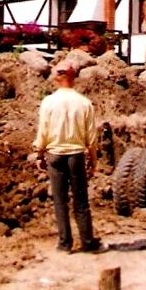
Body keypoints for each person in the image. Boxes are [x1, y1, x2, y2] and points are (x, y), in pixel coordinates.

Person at [33, 60, 102, 253]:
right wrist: (94, 162)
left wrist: (39, 154)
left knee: (60, 201)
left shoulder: (48, 102)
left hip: (54, 155)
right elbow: (91, 137)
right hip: (76, 156)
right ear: (73, 77)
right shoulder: (84, 103)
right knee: (81, 201)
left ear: (57, 77)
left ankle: (65, 244)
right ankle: (88, 242)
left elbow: (43, 132)